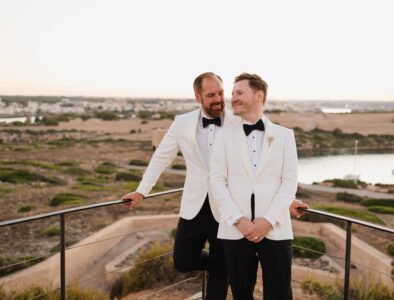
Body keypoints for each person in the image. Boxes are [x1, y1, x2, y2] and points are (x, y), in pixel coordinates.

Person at [122, 72, 306, 300]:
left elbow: (262, 168)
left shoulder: (239, 119)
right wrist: (142, 191)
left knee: (224, 275)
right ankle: (222, 262)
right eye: (212, 95)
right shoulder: (182, 123)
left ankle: (222, 266)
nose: (220, 99)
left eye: (221, 93)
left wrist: (286, 200)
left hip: (229, 209)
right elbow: (161, 158)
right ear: (198, 97)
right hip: (196, 204)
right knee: (184, 260)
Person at [210, 73, 298, 300]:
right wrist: (239, 220)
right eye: (232, 94)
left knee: (279, 294)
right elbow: (217, 181)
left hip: (276, 228)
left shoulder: (285, 136)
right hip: (236, 230)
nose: (233, 98)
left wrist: (268, 221)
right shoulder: (223, 136)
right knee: (240, 293)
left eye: (239, 93)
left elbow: (289, 182)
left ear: (259, 96)